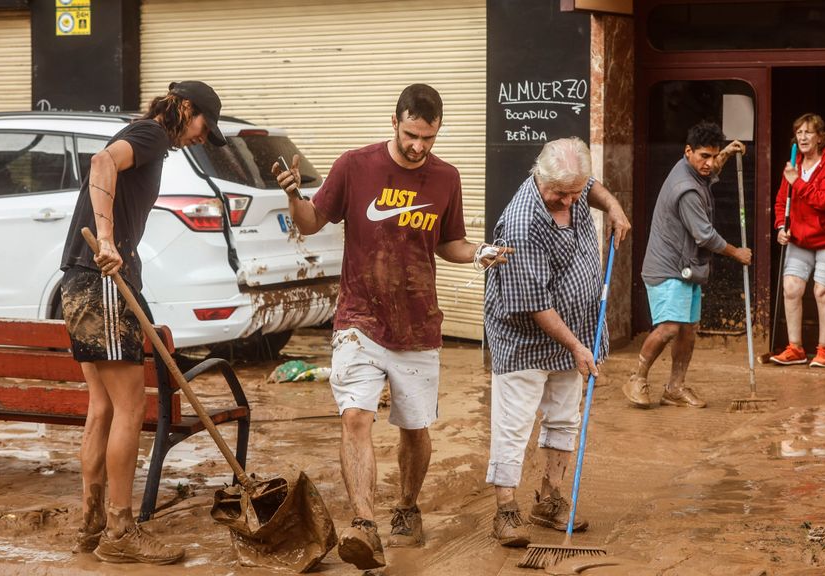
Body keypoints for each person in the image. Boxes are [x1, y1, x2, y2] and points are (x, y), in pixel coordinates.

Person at [272, 83, 508, 570]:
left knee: (415, 429)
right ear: (394, 121)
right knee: (356, 415)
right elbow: (312, 221)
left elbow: (451, 243)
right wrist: (294, 195)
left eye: (429, 138)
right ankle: (363, 524)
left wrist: (480, 253)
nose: (419, 146)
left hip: (419, 325)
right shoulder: (354, 166)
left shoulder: (447, 178)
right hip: (359, 317)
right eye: (411, 135)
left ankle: (406, 506)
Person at [59, 81, 226, 564]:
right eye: (202, 126)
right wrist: (109, 240)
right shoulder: (151, 134)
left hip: (83, 279)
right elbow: (101, 163)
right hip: (102, 280)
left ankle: (93, 525)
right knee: (131, 408)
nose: (201, 136)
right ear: (186, 110)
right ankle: (120, 530)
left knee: (103, 408)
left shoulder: (146, 137)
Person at [483, 137, 629, 547]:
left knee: (565, 418)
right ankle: (506, 511)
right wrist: (578, 347)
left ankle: (549, 499)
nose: (568, 201)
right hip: (525, 338)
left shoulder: (575, 186)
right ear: (538, 176)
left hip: (576, 332)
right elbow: (536, 305)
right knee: (514, 425)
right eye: (559, 193)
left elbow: (593, 185)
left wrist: (613, 207)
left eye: (574, 193)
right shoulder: (521, 222)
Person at [623, 121, 751, 409]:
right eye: (704, 156)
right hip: (668, 267)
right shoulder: (687, 188)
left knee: (688, 329)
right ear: (688, 151)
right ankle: (637, 378)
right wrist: (736, 253)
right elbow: (704, 235)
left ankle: (675, 388)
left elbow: (713, 168)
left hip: (687, 266)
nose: (709, 163)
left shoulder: (692, 169)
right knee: (669, 327)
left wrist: (726, 154)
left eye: (713, 155)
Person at [769, 113, 825, 367]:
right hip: (799, 238)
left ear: (820, 138)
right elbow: (782, 202)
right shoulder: (793, 166)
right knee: (791, 288)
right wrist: (782, 226)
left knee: (822, 291)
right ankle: (795, 348)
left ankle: (824, 350)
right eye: (799, 132)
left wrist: (798, 182)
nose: (802, 137)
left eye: (808, 132)